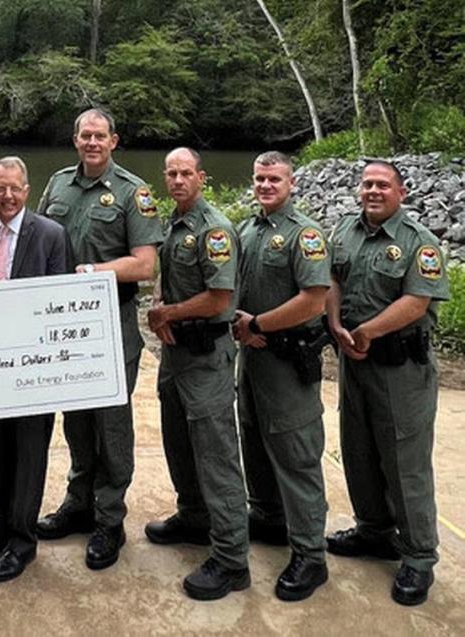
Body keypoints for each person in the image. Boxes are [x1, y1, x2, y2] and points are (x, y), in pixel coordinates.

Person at [34, 108, 161, 570]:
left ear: (113, 141)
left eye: (99, 136)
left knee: (110, 424)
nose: (92, 142)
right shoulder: (58, 184)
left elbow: (145, 264)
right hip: (65, 327)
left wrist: (92, 272)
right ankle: (78, 503)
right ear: (75, 141)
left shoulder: (133, 193)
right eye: (84, 135)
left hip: (111, 324)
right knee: (78, 422)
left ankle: (109, 519)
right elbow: (38, 239)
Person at [325, 160, 449, 606]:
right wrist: (337, 325)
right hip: (354, 361)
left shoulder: (419, 243)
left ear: (401, 191)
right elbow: (333, 280)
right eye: (367, 185)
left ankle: (418, 556)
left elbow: (417, 302)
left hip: (400, 369)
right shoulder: (345, 232)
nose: (372, 191)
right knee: (358, 449)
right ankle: (374, 530)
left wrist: (368, 332)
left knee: (404, 461)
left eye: (382, 185)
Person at [145, 147, 249, 601]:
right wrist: (162, 309)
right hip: (176, 354)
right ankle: (193, 518)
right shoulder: (175, 223)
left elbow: (220, 299)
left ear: (201, 177)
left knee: (216, 454)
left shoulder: (214, 229)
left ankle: (231, 560)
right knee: (179, 443)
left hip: (206, 355)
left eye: (186, 172)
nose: (178, 179)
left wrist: (166, 312)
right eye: (172, 173)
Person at [0, 156, 68, 582]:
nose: (7, 196)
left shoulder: (51, 234)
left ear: (28, 190)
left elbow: (58, 302)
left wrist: (9, 293)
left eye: (15, 188)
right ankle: (2, 524)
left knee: (29, 451)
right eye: (0, 188)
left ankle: (23, 542)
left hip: (33, 365)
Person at [232, 151, 330, 601]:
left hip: (287, 363)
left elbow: (314, 300)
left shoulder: (303, 235)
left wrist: (258, 325)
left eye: (274, 179)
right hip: (252, 363)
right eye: (259, 179)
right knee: (254, 441)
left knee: (296, 454)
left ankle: (311, 555)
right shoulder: (247, 230)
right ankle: (269, 519)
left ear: (290, 183)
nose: (265, 186)